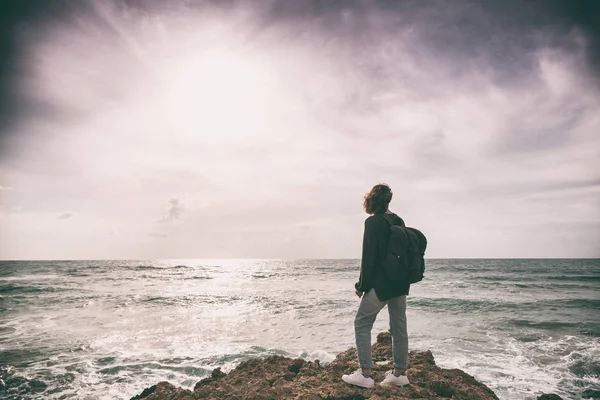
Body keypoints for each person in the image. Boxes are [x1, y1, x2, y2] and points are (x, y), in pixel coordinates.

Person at [342, 183, 410, 388]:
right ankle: (399, 374)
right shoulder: (398, 220)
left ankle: (365, 374)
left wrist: (361, 285)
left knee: (362, 323)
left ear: (372, 199)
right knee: (399, 327)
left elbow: (368, 258)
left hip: (382, 285)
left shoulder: (373, 222)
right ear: (389, 200)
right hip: (400, 283)